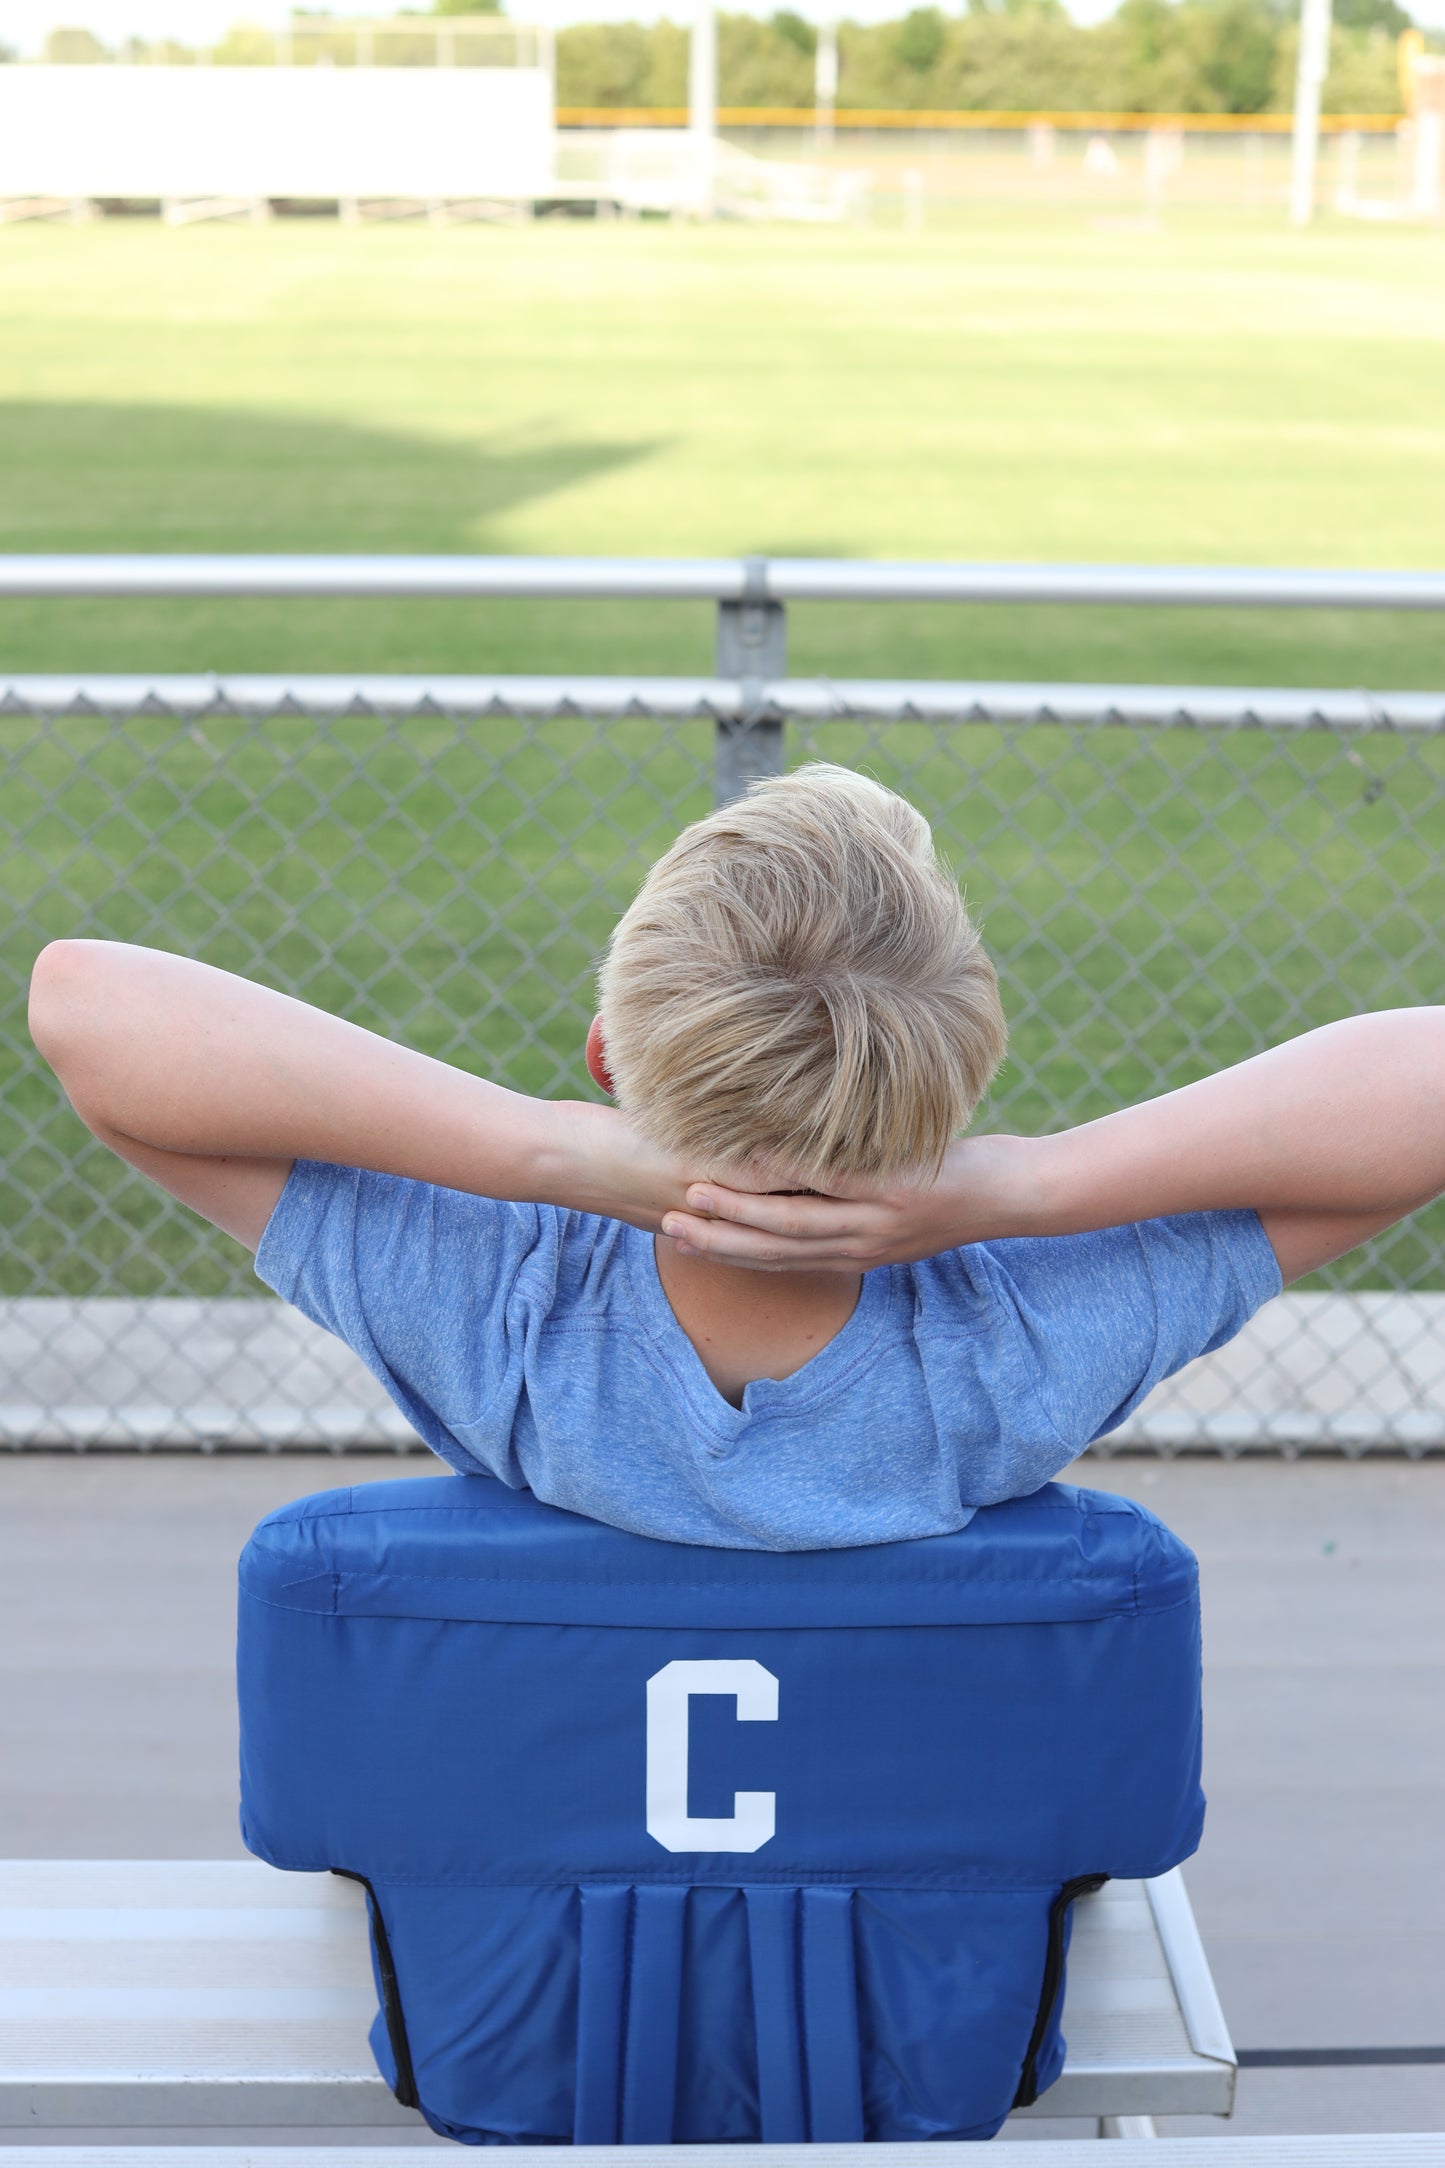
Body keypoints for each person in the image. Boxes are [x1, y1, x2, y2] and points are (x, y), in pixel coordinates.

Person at [27, 764, 1443, 1550]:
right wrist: (1021, 1184)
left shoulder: (498, 1306)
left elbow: (84, 1004)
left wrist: (549, 1156)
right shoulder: (1022, 1336)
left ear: (603, 1057)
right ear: (956, 1092)